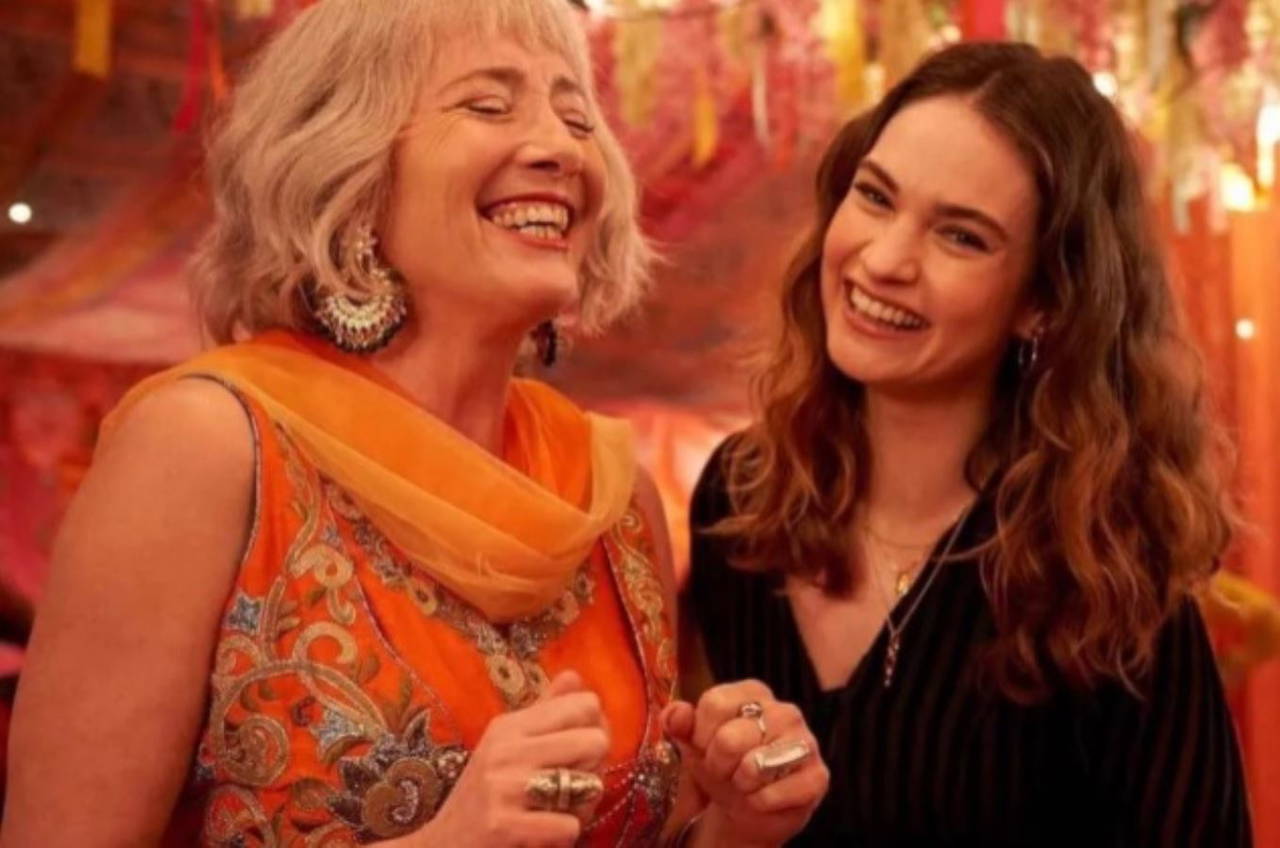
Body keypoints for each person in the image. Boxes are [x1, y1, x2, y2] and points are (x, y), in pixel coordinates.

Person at [2, 1, 828, 845]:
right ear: (349, 171)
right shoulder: (209, 445)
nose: (561, 148)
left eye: (578, 117)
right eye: (488, 105)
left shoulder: (614, 500)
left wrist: (735, 825)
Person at [684, 41, 1251, 846]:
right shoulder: (738, 501)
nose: (884, 260)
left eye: (962, 237)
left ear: (1045, 302)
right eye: (874, 196)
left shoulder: (1107, 576)